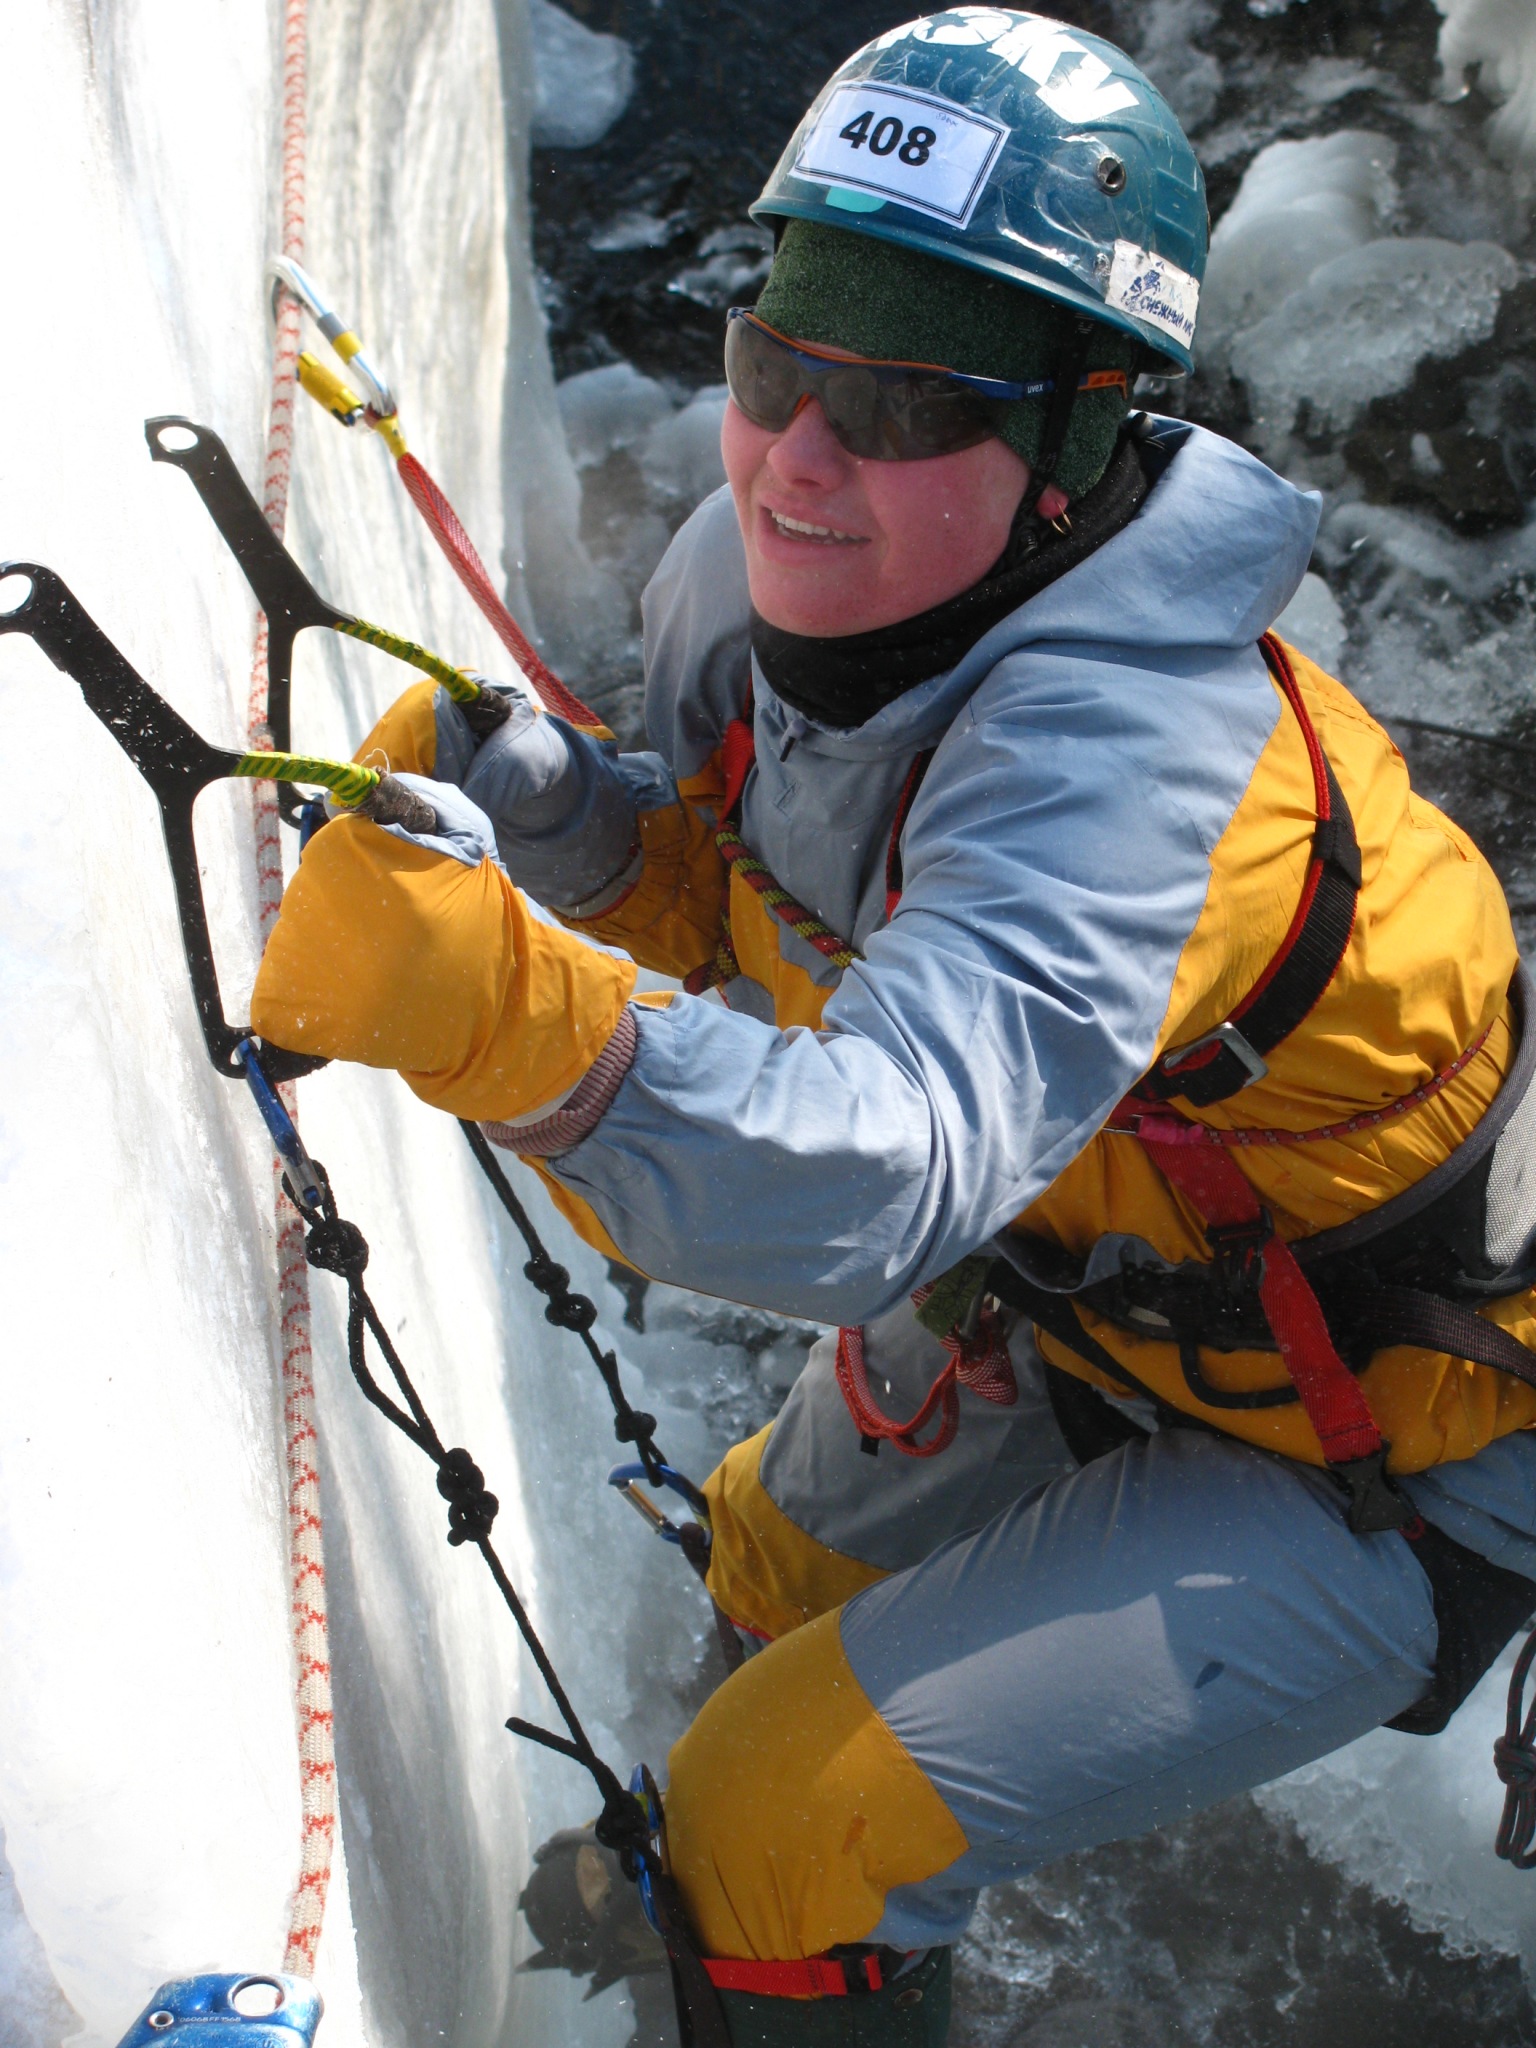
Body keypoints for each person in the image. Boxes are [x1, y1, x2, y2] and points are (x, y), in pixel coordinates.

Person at [250, 11, 1536, 2043]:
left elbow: (884, 1171)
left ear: (1082, 444)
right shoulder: (761, 578)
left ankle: (762, 1915)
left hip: (1399, 1440)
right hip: (1113, 1279)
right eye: (779, 363)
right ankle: (720, 1952)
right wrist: (572, 825)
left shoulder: (1141, 771)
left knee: (778, 1825)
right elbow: (762, 905)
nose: (798, 456)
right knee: (767, 1554)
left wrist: (516, 1016)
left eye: (906, 399)